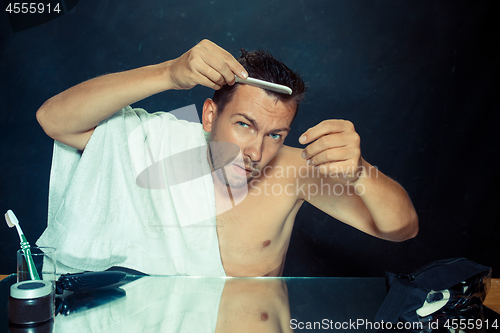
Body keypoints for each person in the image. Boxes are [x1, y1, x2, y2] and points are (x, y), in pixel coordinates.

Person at [36, 39, 418, 277]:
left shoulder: (293, 171)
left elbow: (402, 229)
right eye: (244, 124)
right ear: (209, 115)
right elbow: (53, 120)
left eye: (274, 134)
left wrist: (361, 172)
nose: (255, 152)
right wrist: (169, 72)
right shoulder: (162, 145)